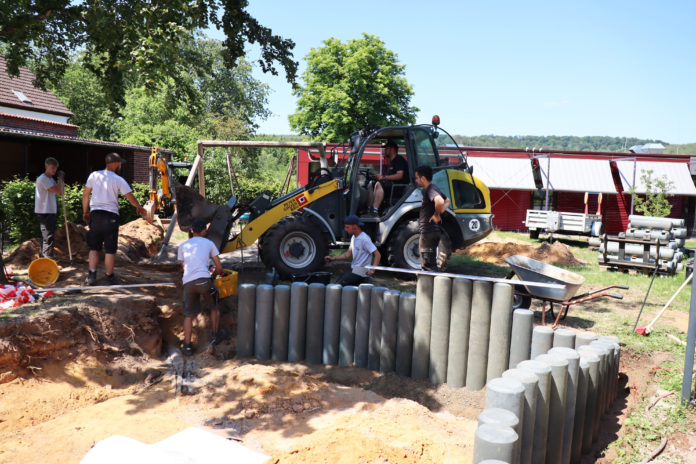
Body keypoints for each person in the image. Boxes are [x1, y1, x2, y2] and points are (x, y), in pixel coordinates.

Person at [82, 152, 146, 285]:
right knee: (110, 250)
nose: (121, 165)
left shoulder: (94, 175)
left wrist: (85, 211)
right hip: (110, 217)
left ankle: (91, 276)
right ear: (116, 163)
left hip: (96, 215)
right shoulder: (118, 179)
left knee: (94, 248)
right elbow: (130, 197)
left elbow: (86, 195)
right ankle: (109, 277)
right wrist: (139, 207)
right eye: (120, 163)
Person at [177, 218, 224, 356]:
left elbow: (184, 267)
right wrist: (214, 273)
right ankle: (215, 336)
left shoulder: (183, 246)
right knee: (215, 306)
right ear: (204, 231)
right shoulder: (209, 243)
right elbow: (219, 267)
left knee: (188, 315)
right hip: (205, 282)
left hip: (188, 283)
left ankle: (187, 346)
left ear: (191, 230)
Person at [324, 215, 381, 286]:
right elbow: (348, 254)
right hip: (354, 269)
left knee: (338, 286)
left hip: (361, 270)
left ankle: (366, 279)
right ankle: (363, 281)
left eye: (347, 227)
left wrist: (372, 270)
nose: (345, 229)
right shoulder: (354, 237)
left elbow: (377, 254)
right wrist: (333, 258)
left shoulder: (364, 239)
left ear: (355, 226)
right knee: (340, 285)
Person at [414, 165, 450, 271]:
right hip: (433, 231)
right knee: (431, 264)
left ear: (423, 178)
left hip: (428, 232)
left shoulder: (430, 189)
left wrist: (436, 214)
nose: (416, 180)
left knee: (428, 266)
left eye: (417, 178)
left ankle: (431, 287)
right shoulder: (434, 188)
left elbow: (440, 201)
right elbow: (447, 200)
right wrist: (440, 211)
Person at [367, 140, 408, 216]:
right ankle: (370, 209)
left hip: (399, 187)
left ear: (392, 149)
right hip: (393, 186)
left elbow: (400, 175)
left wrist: (383, 177)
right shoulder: (392, 162)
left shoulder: (398, 160)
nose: (384, 150)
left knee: (379, 183)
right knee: (371, 184)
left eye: (386, 148)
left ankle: (375, 210)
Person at [35, 157, 64, 259]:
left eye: (55, 168)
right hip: (45, 211)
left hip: (50, 211)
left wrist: (61, 180)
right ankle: (48, 260)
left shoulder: (50, 179)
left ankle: (43, 259)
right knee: (48, 238)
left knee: (48, 236)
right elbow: (59, 191)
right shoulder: (43, 179)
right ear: (46, 166)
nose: (54, 170)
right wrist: (60, 179)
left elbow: (61, 192)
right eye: (52, 168)